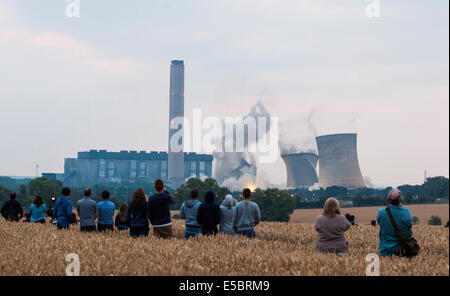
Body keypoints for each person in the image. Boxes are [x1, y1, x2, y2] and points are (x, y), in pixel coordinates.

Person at [377, 189, 413, 257]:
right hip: (402, 250)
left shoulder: (381, 213)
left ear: (389, 200)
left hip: (384, 251)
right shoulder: (407, 213)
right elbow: (409, 227)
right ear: (400, 200)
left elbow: (380, 224)